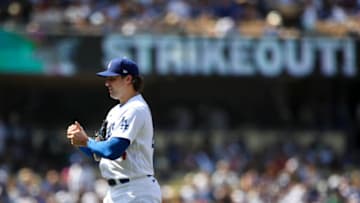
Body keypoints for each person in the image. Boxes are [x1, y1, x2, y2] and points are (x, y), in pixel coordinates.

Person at [66, 57, 162, 203]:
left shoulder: (136, 108)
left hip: (137, 190)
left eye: (112, 78)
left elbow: (112, 150)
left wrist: (85, 140)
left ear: (128, 79)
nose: (107, 83)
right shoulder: (114, 112)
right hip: (115, 191)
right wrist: (80, 140)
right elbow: (98, 150)